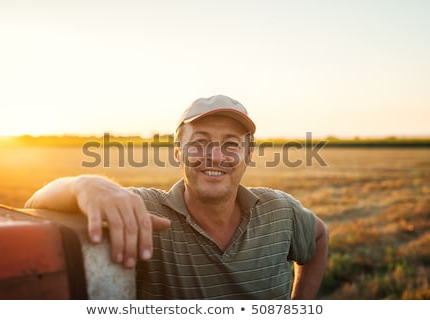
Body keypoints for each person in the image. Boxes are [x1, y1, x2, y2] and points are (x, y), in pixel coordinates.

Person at [25, 94, 329, 299]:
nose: (214, 156)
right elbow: (33, 205)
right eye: (199, 142)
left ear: (249, 154)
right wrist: (84, 185)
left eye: (231, 144)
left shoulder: (280, 210)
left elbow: (318, 237)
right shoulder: (143, 211)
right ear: (177, 152)